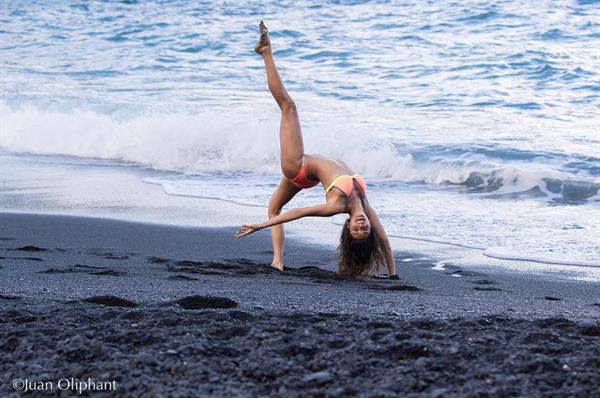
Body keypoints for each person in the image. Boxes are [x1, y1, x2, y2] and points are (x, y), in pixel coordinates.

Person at [235, 21, 397, 279]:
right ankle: (277, 261)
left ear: (347, 226)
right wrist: (392, 275)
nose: (362, 226)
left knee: (289, 106)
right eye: (365, 230)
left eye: (356, 230)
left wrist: (259, 226)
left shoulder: (337, 205)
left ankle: (265, 53)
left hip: (296, 165)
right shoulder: (364, 203)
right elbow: (386, 241)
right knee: (273, 205)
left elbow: (299, 212)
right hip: (305, 177)